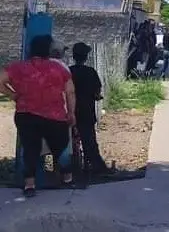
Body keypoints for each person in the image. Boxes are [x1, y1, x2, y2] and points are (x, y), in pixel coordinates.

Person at [0, 35, 76, 197]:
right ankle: (68, 179)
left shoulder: (18, 67)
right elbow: (70, 92)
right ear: (49, 50)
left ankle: (29, 185)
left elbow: (0, 80)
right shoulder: (59, 69)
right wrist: (71, 113)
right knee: (60, 148)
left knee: (30, 149)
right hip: (55, 116)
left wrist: (12, 95)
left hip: (26, 114)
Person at [68, 42, 110, 175]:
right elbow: (97, 91)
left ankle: (69, 167)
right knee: (89, 141)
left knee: (68, 140)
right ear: (86, 57)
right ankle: (96, 167)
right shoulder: (90, 72)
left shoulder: (68, 71)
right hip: (86, 111)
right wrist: (96, 96)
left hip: (70, 110)